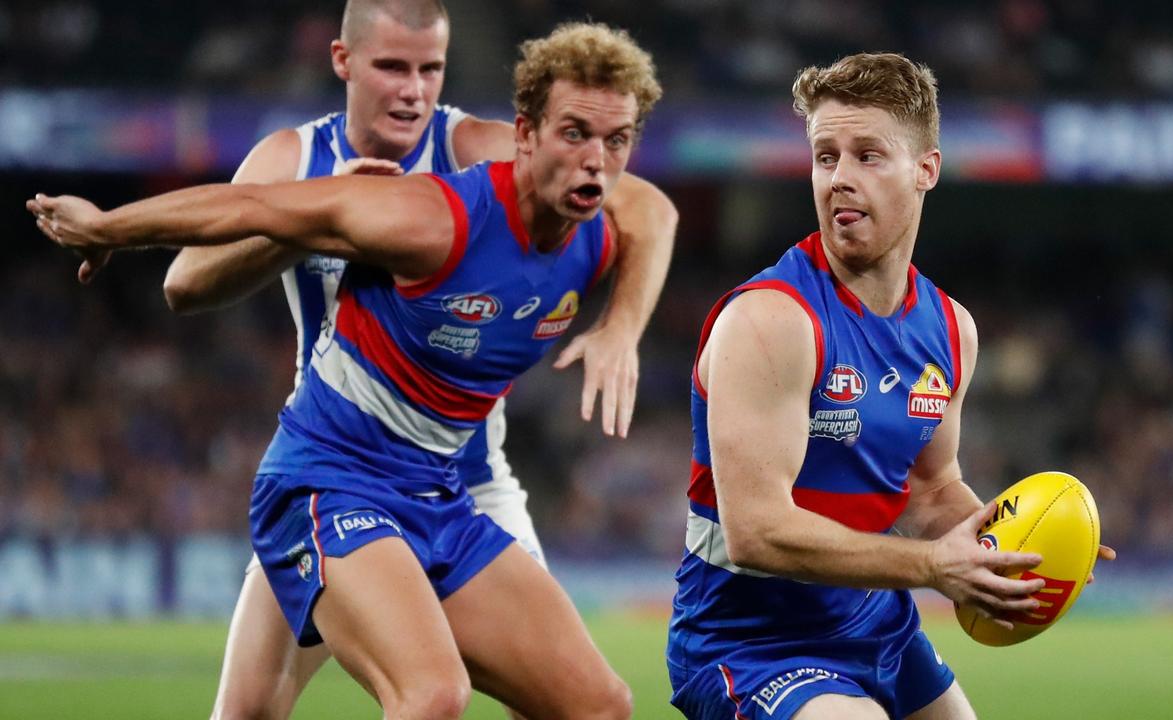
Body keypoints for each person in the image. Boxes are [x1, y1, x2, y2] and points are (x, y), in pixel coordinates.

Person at [31, 21, 662, 720]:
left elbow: (655, 212)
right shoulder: (430, 215)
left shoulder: (599, 222)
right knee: (429, 696)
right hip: (328, 478)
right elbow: (248, 210)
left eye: (616, 142)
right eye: (574, 134)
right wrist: (108, 225)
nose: (596, 161)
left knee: (598, 705)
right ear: (526, 135)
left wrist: (621, 328)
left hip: (444, 489)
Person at [664, 53, 1114, 720]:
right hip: (749, 641)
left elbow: (928, 490)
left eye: (868, 155)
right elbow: (756, 531)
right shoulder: (770, 320)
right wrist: (934, 567)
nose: (839, 179)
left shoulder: (950, 329)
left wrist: (1012, 549)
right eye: (826, 156)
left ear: (926, 170)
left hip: (879, 627)